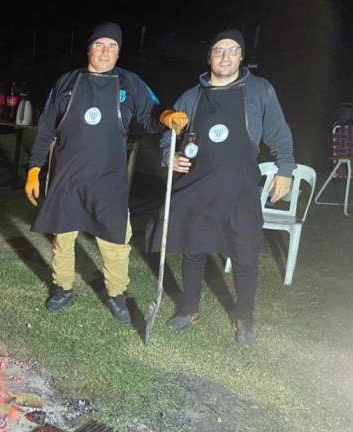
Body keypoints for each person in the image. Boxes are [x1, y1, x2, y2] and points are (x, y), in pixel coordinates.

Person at [24, 22, 185, 324]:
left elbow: (151, 116)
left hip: (108, 180)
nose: (106, 51)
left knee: (115, 241)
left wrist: (166, 117)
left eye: (113, 46)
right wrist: (34, 168)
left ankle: (117, 294)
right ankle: (63, 286)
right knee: (63, 237)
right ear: (89, 48)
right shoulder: (66, 82)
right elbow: (46, 128)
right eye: (100, 45)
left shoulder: (129, 82)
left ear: (119, 52)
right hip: (68, 178)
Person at [151, 28, 294, 346]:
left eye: (232, 50)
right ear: (209, 57)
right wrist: (169, 156)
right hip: (199, 185)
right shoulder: (192, 96)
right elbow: (168, 134)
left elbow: (278, 133)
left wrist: (285, 168)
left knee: (245, 256)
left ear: (242, 56)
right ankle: (189, 310)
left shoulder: (258, 90)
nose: (226, 56)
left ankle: (244, 319)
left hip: (240, 187)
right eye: (219, 51)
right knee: (193, 250)